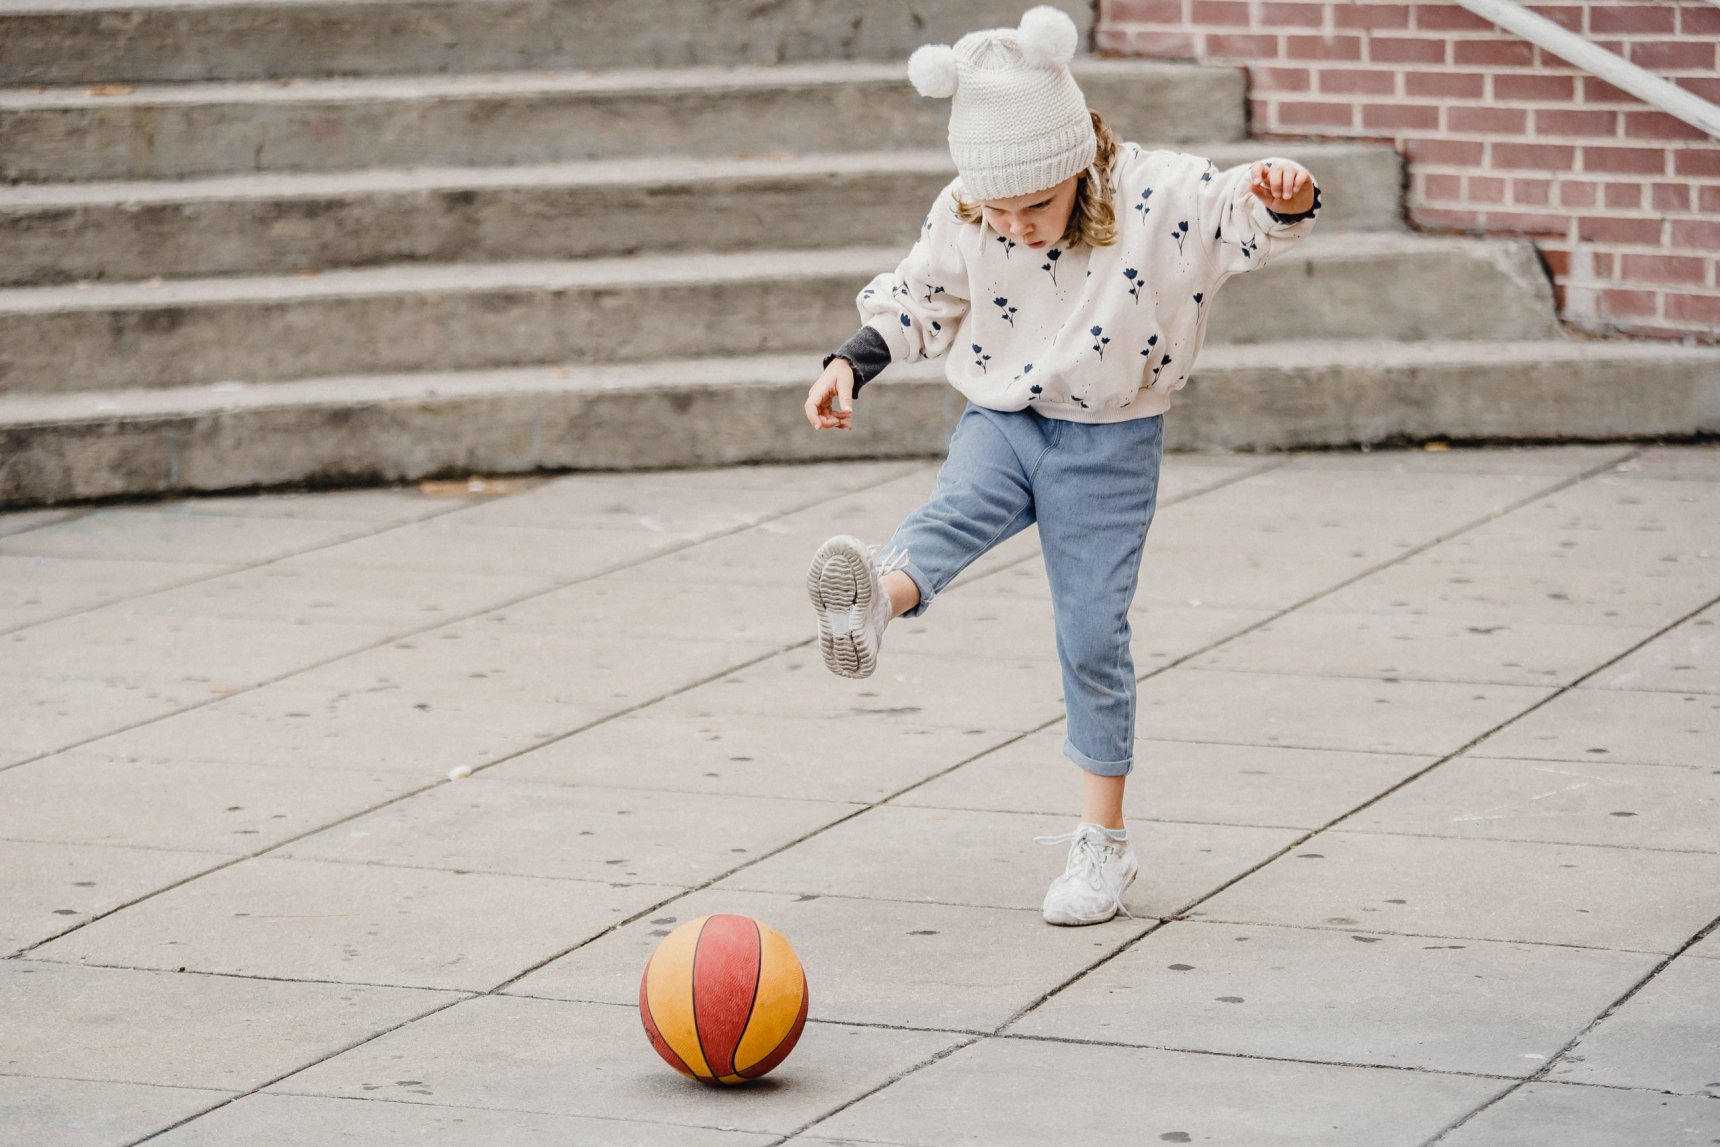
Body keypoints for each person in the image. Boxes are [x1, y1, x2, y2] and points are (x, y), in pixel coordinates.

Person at [802, 5, 1321, 926]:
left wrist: (1283, 192)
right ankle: (875, 604)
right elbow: (920, 293)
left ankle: (1102, 847)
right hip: (1004, 414)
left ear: (1077, 166)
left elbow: (1239, 208)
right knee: (951, 512)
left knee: (1090, 636)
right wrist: (851, 360)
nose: (1015, 225)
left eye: (1033, 208)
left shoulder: (1154, 193)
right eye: (996, 211)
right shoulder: (970, 207)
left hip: (1113, 442)